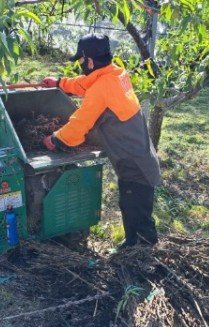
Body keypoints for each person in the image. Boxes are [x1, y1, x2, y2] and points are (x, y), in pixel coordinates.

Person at [41, 33, 161, 248]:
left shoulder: (101, 89)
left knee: (137, 211)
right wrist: (60, 83)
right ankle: (133, 245)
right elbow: (86, 84)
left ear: (89, 60)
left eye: (81, 60)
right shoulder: (115, 74)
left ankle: (143, 255)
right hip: (137, 153)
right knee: (130, 205)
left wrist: (56, 139)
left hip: (135, 164)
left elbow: (79, 124)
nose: (80, 65)